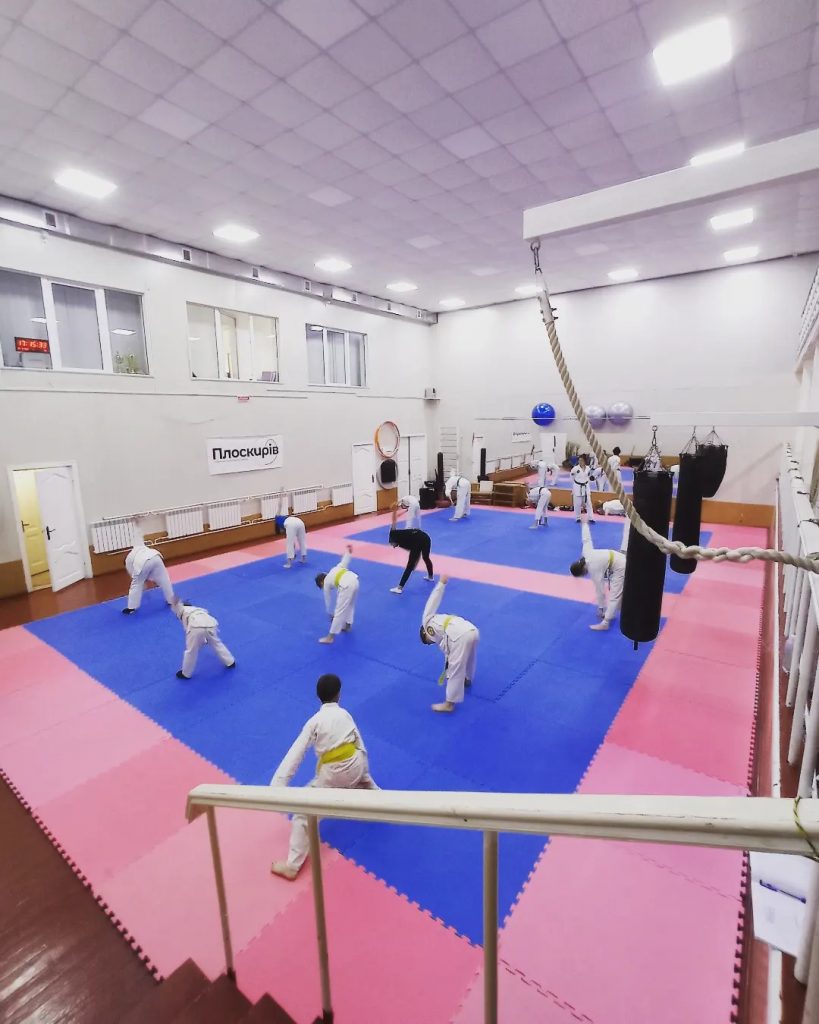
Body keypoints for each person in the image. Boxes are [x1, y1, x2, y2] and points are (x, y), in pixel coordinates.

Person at [270, 673, 378, 880]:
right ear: (339, 695)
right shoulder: (345, 714)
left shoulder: (314, 722)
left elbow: (296, 753)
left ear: (318, 696)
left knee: (302, 814)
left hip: (334, 777)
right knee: (357, 780)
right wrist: (364, 772)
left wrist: (277, 786)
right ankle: (375, 793)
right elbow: (359, 742)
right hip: (356, 765)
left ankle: (292, 866)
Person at [420, 575, 479, 712]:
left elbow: (432, 601)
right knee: (470, 657)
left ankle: (449, 704)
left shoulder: (426, 622)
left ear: (424, 632)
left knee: (455, 668)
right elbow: (448, 650)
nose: (431, 642)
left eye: (428, 642)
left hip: (459, 635)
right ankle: (468, 679)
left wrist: (441, 584)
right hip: (472, 630)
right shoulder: (440, 625)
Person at [569, 513, 627, 631]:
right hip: (617, 559)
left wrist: (601, 607)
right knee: (616, 591)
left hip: (620, 566)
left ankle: (605, 622)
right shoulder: (585, 554)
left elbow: (600, 590)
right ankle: (617, 609)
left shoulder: (593, 568)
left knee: (614, 594)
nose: (584, 576)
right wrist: (584, 524)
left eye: (582, 575)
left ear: (582, 571)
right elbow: (586, 539)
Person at [172, 599, 236, 678]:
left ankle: (185, 673)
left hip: (195, 627)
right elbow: (204, 626)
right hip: (211, 624)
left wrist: (173, 600)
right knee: (217, 643)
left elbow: (177, 607)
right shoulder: (199, 609)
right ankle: (230, 662)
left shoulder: (182, 610)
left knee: (191, 651)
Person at [315, 544, 358, 644]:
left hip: (346, 585)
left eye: (321, 586)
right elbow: (344, 561)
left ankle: (330, 638)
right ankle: (348, 626)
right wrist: (348, 553)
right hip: (355, 580)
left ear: (321, 582)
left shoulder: (326, 583)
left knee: (338, 612)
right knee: (350, 605)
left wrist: (330, 613)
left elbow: (328, 599)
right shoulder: (335, 569)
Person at [388, 507, 434, 594]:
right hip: (425, 537)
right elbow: (414, 552)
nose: (393, 547)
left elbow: (394, 520)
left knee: (410, 566)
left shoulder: (394, 535)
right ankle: (430, 577)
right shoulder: (397, 537)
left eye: (392, 545)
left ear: (393, 540)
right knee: (425, 558)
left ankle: (399, 588)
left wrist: (413, 564)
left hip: (421, 539)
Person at [122, 541, 176, 614]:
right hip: (156, 556)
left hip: (143, 561)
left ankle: (131, 608)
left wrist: (143, 584)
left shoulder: (128, 562)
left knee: (136, 584)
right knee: (164, 579)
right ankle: (171, 600)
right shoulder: (136, 550)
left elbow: (136, 579)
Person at [570, 454, 597, 522]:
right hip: (577, 486)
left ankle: (591, 518)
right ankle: (578, 517)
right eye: (579, 460)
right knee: (577, 504)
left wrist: (587, 482)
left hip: (586, 486)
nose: (580, 462)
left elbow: (588, 477)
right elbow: (572, 477)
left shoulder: (588, 468)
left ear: (585, 461)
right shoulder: (575, 468)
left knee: (589, 503)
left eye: (581, 460)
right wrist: (574, 486)